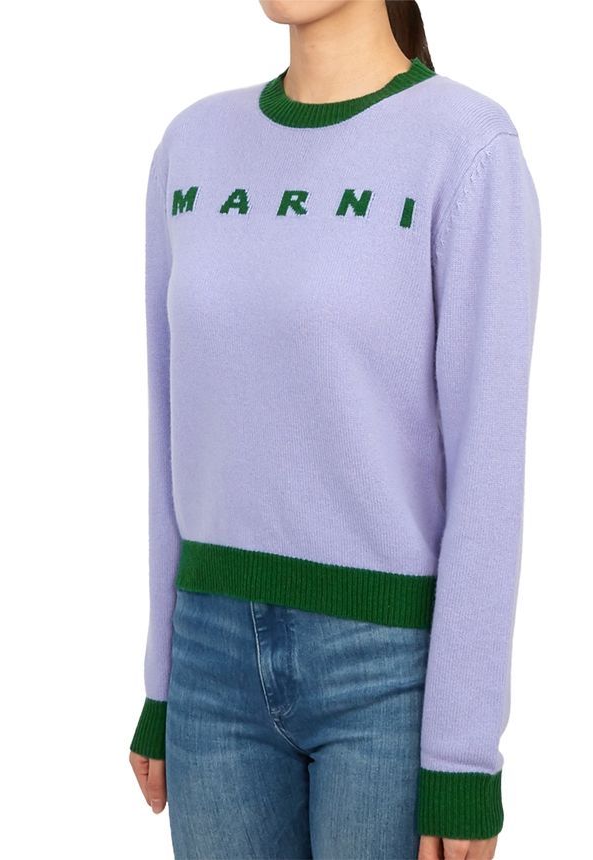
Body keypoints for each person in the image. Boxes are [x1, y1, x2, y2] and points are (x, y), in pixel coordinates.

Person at [128, 2, 541, 858]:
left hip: (386, 677)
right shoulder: (191, 146)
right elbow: (172, 433)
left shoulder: (466, 148)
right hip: (209, 666)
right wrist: (161, 680)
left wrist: (464, 756)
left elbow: (489, 468)